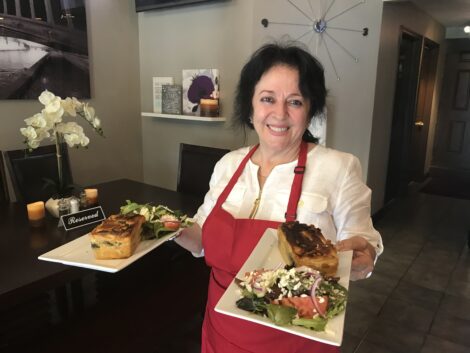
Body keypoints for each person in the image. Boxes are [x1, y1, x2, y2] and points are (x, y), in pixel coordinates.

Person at [175, 41, 383, 353]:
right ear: (250, 106)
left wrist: (362, 258)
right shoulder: (228, 165)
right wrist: (167, 228)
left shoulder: (339, 167)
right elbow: (202, 239)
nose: (280, 114)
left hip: (296, 335)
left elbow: (363, 246)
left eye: (295, 102)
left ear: (310, 109)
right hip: (222, 332)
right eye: (268, 99)